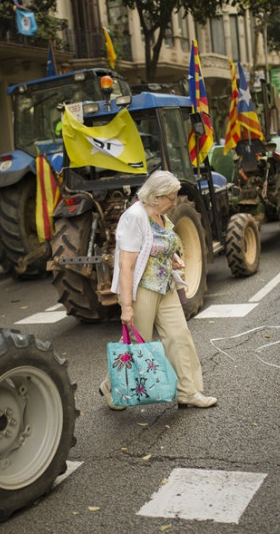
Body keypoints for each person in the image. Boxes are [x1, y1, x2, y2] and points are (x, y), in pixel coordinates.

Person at [99, 170, 218, 410]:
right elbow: (126, 265)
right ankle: (110, 386)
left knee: (179, 337)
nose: (174, 203)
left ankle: (188, 392)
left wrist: (171, 256)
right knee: (136, 343)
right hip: (143, 289)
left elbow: (156, 243)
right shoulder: (134, 216)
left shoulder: (160, 216)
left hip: (166, 287)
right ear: (156, 196)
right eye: (171, 198)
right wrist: (126, 307)